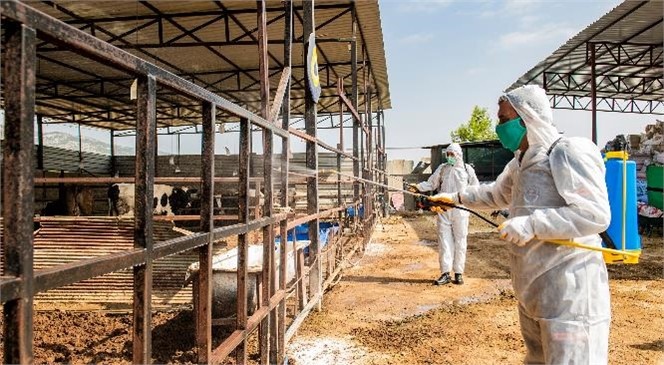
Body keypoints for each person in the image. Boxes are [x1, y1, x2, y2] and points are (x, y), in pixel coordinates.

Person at [430, 85, 612, 364]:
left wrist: (531, 225)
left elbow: (595, 214)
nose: (499, 126)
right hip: (534, 289)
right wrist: (454, 198)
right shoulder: (521, 162)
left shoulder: (564, 152)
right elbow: (494, 194)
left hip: (570, 293)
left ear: (527, 117)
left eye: (504, 120)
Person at [409, 143, 479, 285]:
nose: (449, 157)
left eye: (452, 154)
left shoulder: (467, 170)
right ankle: (445, 273)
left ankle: (458, 273)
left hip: (461, 210)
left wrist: (472, 202)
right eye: (447, 154)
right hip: (443, 209)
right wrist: (418, 187)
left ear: (458, 155)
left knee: (460, 240)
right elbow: (431, 184)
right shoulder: (442, 168)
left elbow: (475, 188)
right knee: (444, 241)